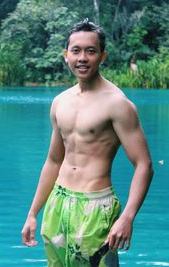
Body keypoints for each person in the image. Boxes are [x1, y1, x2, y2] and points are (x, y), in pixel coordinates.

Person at [21, 19, 153, 267]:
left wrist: (127, 217)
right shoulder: (60, 102)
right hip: (58, 203)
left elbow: (144, 164)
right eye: (76, 50)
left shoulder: (117, 104)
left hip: (96, 206)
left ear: (103, 56)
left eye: (91, 51)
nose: (82, 58)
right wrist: (32, 213)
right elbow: (54, 160)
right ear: (66, 55)